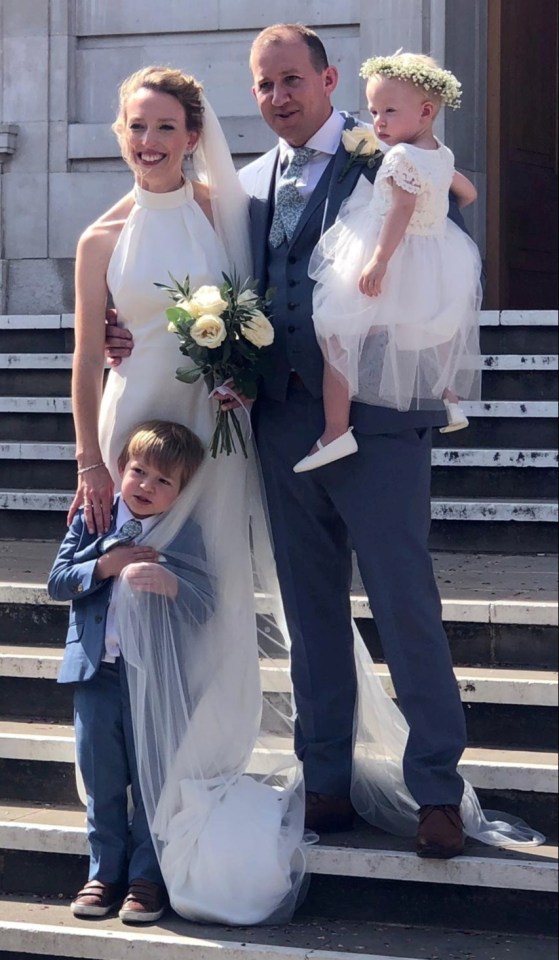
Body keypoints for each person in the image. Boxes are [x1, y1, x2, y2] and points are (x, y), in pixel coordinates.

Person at [104, 31, 544, 862]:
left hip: (376, 420)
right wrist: (115, 310)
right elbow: (147, 207)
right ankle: (327, 782)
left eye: (291, 79)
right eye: (264, 84)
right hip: (278, 422)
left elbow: (446, 235)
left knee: (404, 602)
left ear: (328, 80)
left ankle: (437, 792)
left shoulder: (385, 146)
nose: (277, 95)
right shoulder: (246, 183)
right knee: (309, 615)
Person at [66, 65, 307, 925]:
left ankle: (180, 812)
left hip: (211, 435)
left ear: (190, 133)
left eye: (165, 127)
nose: (149, 142)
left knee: (202, 611)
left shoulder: (224, 212)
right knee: (121, 620)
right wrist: (91, 468)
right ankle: (118, 849)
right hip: (131, 427)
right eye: (136, 126)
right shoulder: (102, 238)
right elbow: (87, 358)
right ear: (120, 132)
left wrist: (239, 376)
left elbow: (261, 314)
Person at [49, 420, 211, 923]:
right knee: (101, 773)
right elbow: (58, 582)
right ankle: (104, 873)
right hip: (97, 670)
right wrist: (104, 565)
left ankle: (147, 876)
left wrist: (172, 583)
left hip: (154, 676)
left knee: (152, 778)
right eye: (139, 472)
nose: (146, 486)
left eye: (164, 481)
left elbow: (208, 605)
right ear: (121, 469)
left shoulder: (186, 531)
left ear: (181, 490)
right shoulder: (93, 519)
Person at [294, 52, 481, 473]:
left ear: (426, 111)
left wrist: (378, 259)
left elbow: (400, 208)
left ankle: (335, 431)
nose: (377, 122)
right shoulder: (442, 153)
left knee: (336, 333)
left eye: (389, 111)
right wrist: (444, 209)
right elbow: (466, 191)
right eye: (373, 110)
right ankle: (450, 398)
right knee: (438, 327)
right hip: (437, 252)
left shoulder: (399, 158)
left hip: (393, 250)